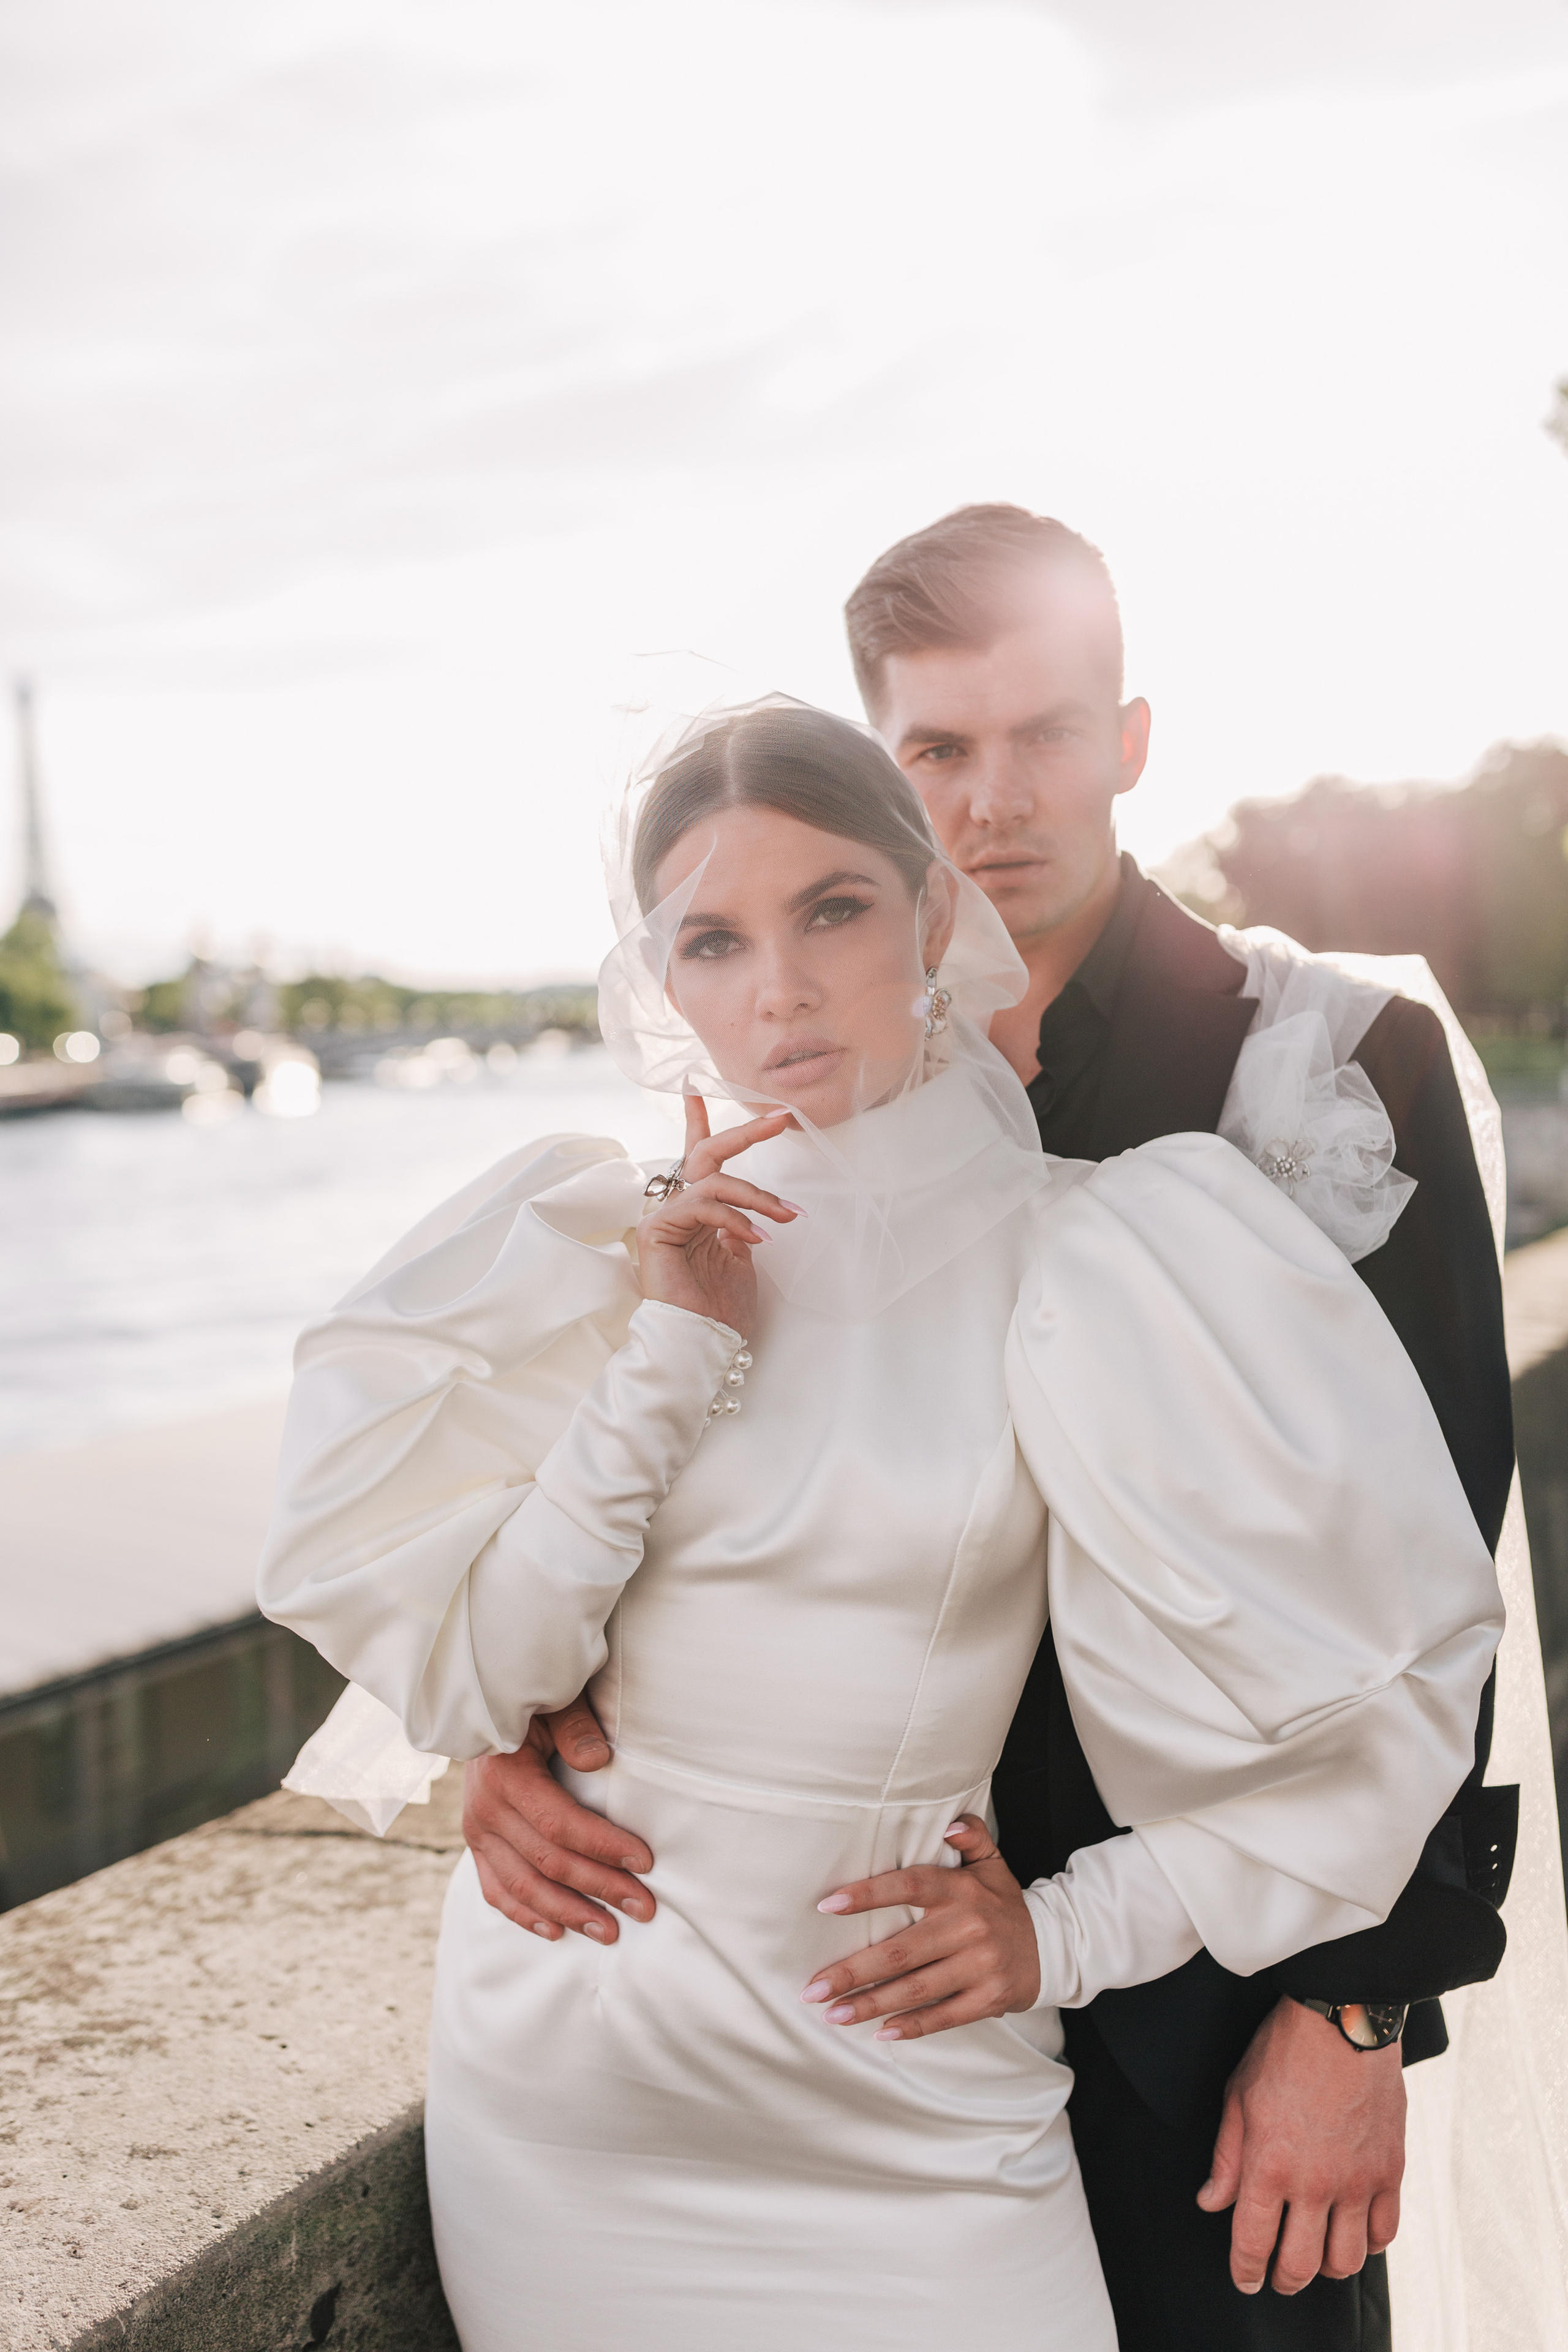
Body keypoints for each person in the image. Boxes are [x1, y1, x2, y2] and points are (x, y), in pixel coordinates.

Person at [260, 699, 1503, 2352]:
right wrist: (676, 1344)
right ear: (662, 978)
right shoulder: (588, 1250)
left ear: (930, 919)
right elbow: (493, 1677)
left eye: (831, 910)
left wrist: (1060, 1934)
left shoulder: (1105, 1255)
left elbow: (1360, 1716)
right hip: (583, 2089)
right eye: (713, 939)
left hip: (919, 2098)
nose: (776, 989)